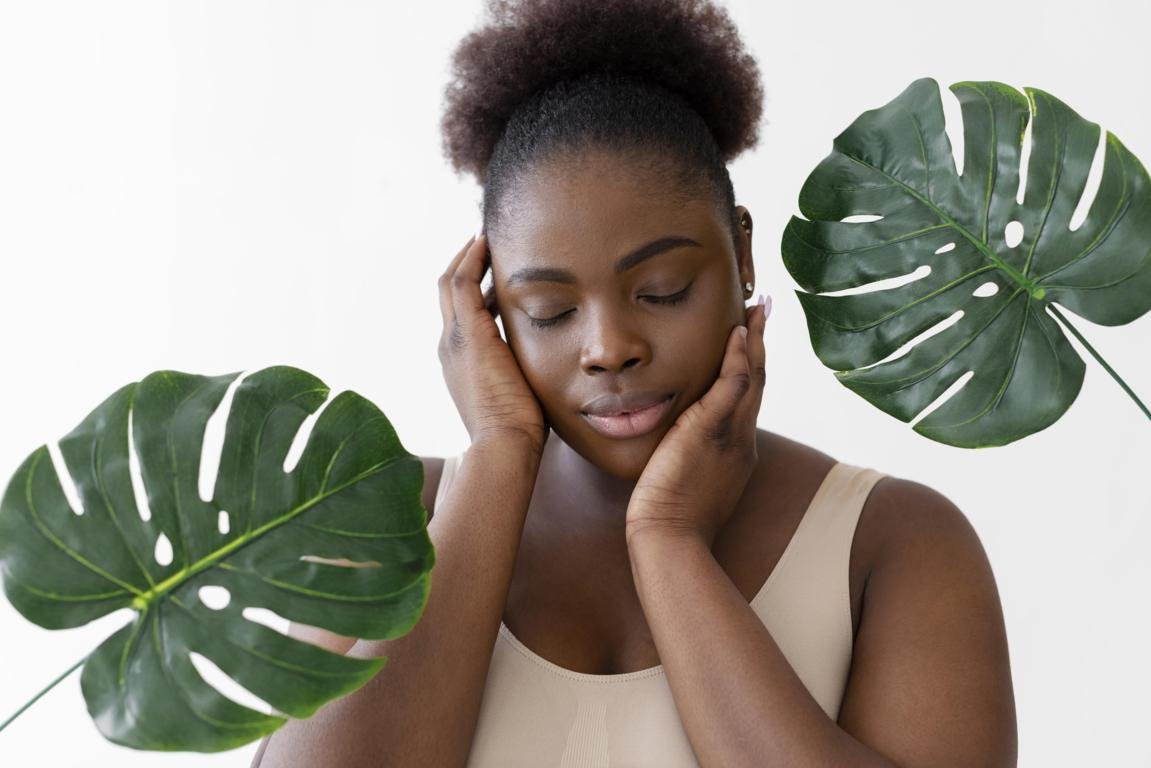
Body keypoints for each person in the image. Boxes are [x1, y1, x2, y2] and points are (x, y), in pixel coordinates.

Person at [253, 0, 1017, 765]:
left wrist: (670, 542)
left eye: (661, 291)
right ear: (485, 312)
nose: (608, 348)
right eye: (549, 311)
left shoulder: (893, 543)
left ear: (741, 256)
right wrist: (497, 453)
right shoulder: (374, 524)